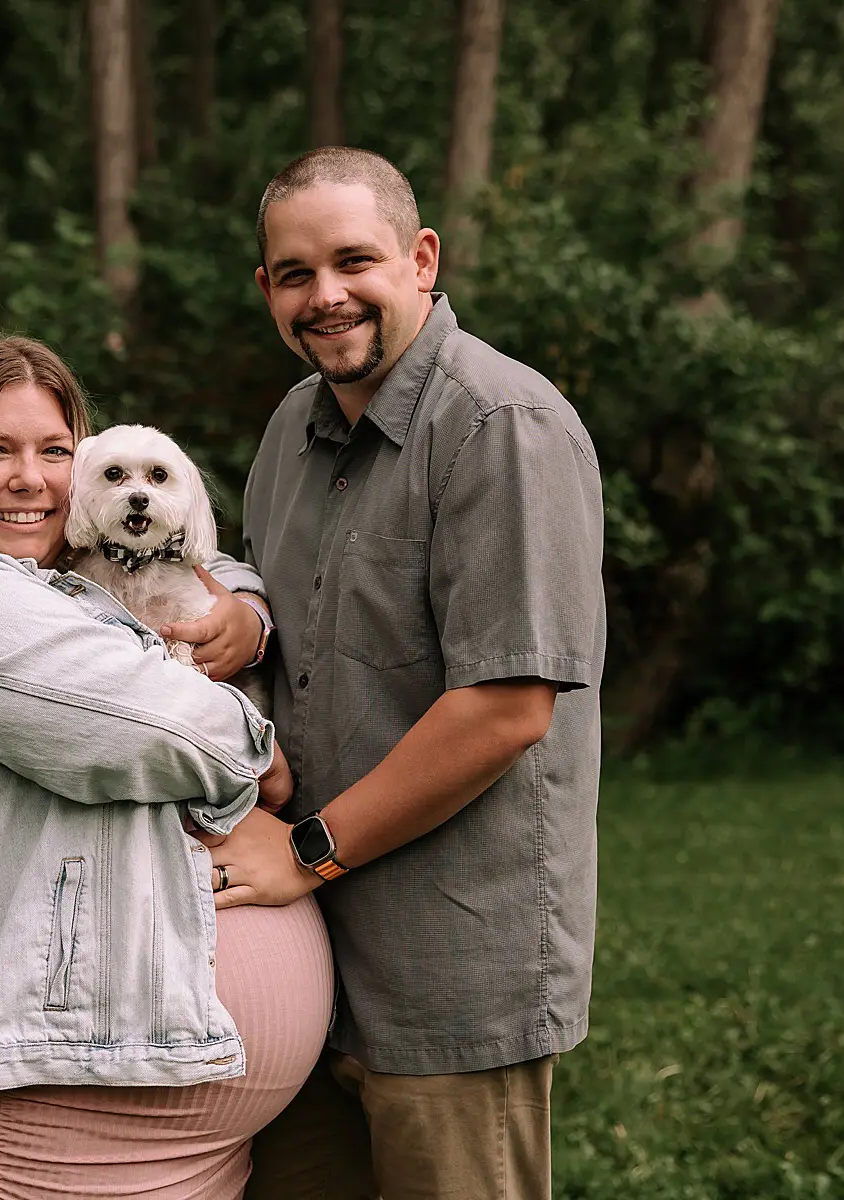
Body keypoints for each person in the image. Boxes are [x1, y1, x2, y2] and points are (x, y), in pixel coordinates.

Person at [167, 148, 606, 1199]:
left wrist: (309, 853)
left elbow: (505, 708)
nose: (327, 297)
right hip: (303, 970)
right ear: (265, 287)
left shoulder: (501, 426)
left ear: (420, 258)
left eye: (353, 260)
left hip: (447, 967)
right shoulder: (291, 430)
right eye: (293, 273)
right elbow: (288, 623)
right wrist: (248, 617)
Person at [0, 333, 332, 1199]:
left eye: (55, 453)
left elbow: (187, 566)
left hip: (153, 1108)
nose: (33, 479)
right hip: (57, 1119)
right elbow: (166, 729)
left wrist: (248, 608)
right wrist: (262, 755)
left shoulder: (55, 589)